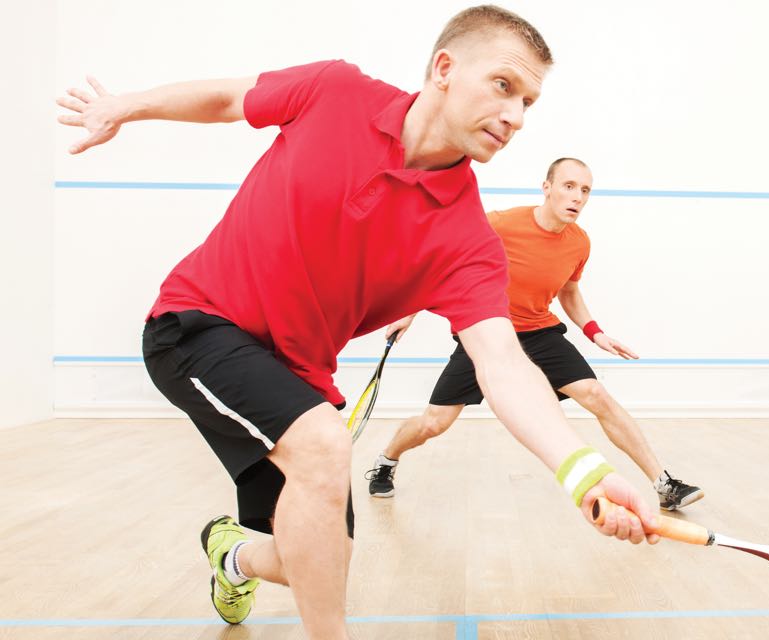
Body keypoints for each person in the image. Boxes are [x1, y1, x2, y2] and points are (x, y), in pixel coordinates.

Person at [56, 7, 657, 639]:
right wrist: (123, 106)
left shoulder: (468, 242)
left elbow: (504, 363)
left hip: (297, 380)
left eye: (529, 102)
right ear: (444, 69)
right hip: (198, 326)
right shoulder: (334, 90)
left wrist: (584, 470)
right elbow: (229, 98)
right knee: (324, 445)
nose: (515, 116)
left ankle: (231, 556)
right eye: (504, 86)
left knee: (317, 557)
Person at [368, 158, 704, 511]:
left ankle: (663, 483)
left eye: (585, 190)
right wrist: (409, 311)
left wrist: (594, 332)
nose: (577, 196)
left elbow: (569, 292)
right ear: (547, 188)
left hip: (539, 333)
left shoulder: (579, 243)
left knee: (596, 394)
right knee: (434, 423)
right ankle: (387, 461)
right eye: (569, 186)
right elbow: (445, 260)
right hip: (486, 332)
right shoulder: (502, 223)